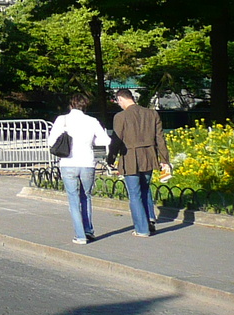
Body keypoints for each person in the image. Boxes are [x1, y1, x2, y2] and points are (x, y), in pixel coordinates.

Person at [48, 92, 110, 245]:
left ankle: (80, 235)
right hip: (88, 162)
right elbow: (105, 139)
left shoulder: (62, 120)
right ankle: (89, 230)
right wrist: (91, 141)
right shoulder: (92, 121)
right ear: (85, 106)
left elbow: (51, 142)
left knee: (73, 199)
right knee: (86, 196)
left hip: (68, 163)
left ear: (71, 104)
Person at [111, 88, 171, 237]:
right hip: (149, 157)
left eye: (119, 102)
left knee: (134, 194)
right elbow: (160, 139)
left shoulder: (120, 116)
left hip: (130, 158)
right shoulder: (152, 114)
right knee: (145, 189)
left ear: (121, 99)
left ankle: (142, 229)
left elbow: (116, 141)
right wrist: (165, 160)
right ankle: (149, 220)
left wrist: (110, 159)